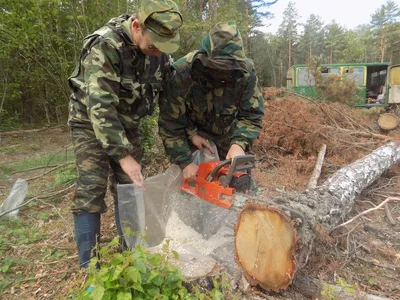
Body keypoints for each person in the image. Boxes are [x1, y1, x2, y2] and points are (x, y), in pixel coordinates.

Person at [67, 0, 182, 268]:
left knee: (130, 186)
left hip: (127, 125)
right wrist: (123, 156)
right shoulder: (105, 46)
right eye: (153, 46)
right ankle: (89, 265)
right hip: (90, 122)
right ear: (136, 26)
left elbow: (171, 102)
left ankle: (130, 251)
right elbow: (101, 107)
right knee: (91, 188)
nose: (157, 53)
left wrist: (186, 135)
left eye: (162, 48)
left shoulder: (159, 54)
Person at [159, 22, 264, 182]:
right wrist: (185, 162)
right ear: (205, 58)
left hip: (231, 141)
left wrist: (239, 144)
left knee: (239, 191)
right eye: (218, 68)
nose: (223, 74)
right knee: (191, 193)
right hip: (192, 143)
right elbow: (171, 124)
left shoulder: (245, 73)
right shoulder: (182, 74)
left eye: (228, 69)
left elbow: (251, 116)